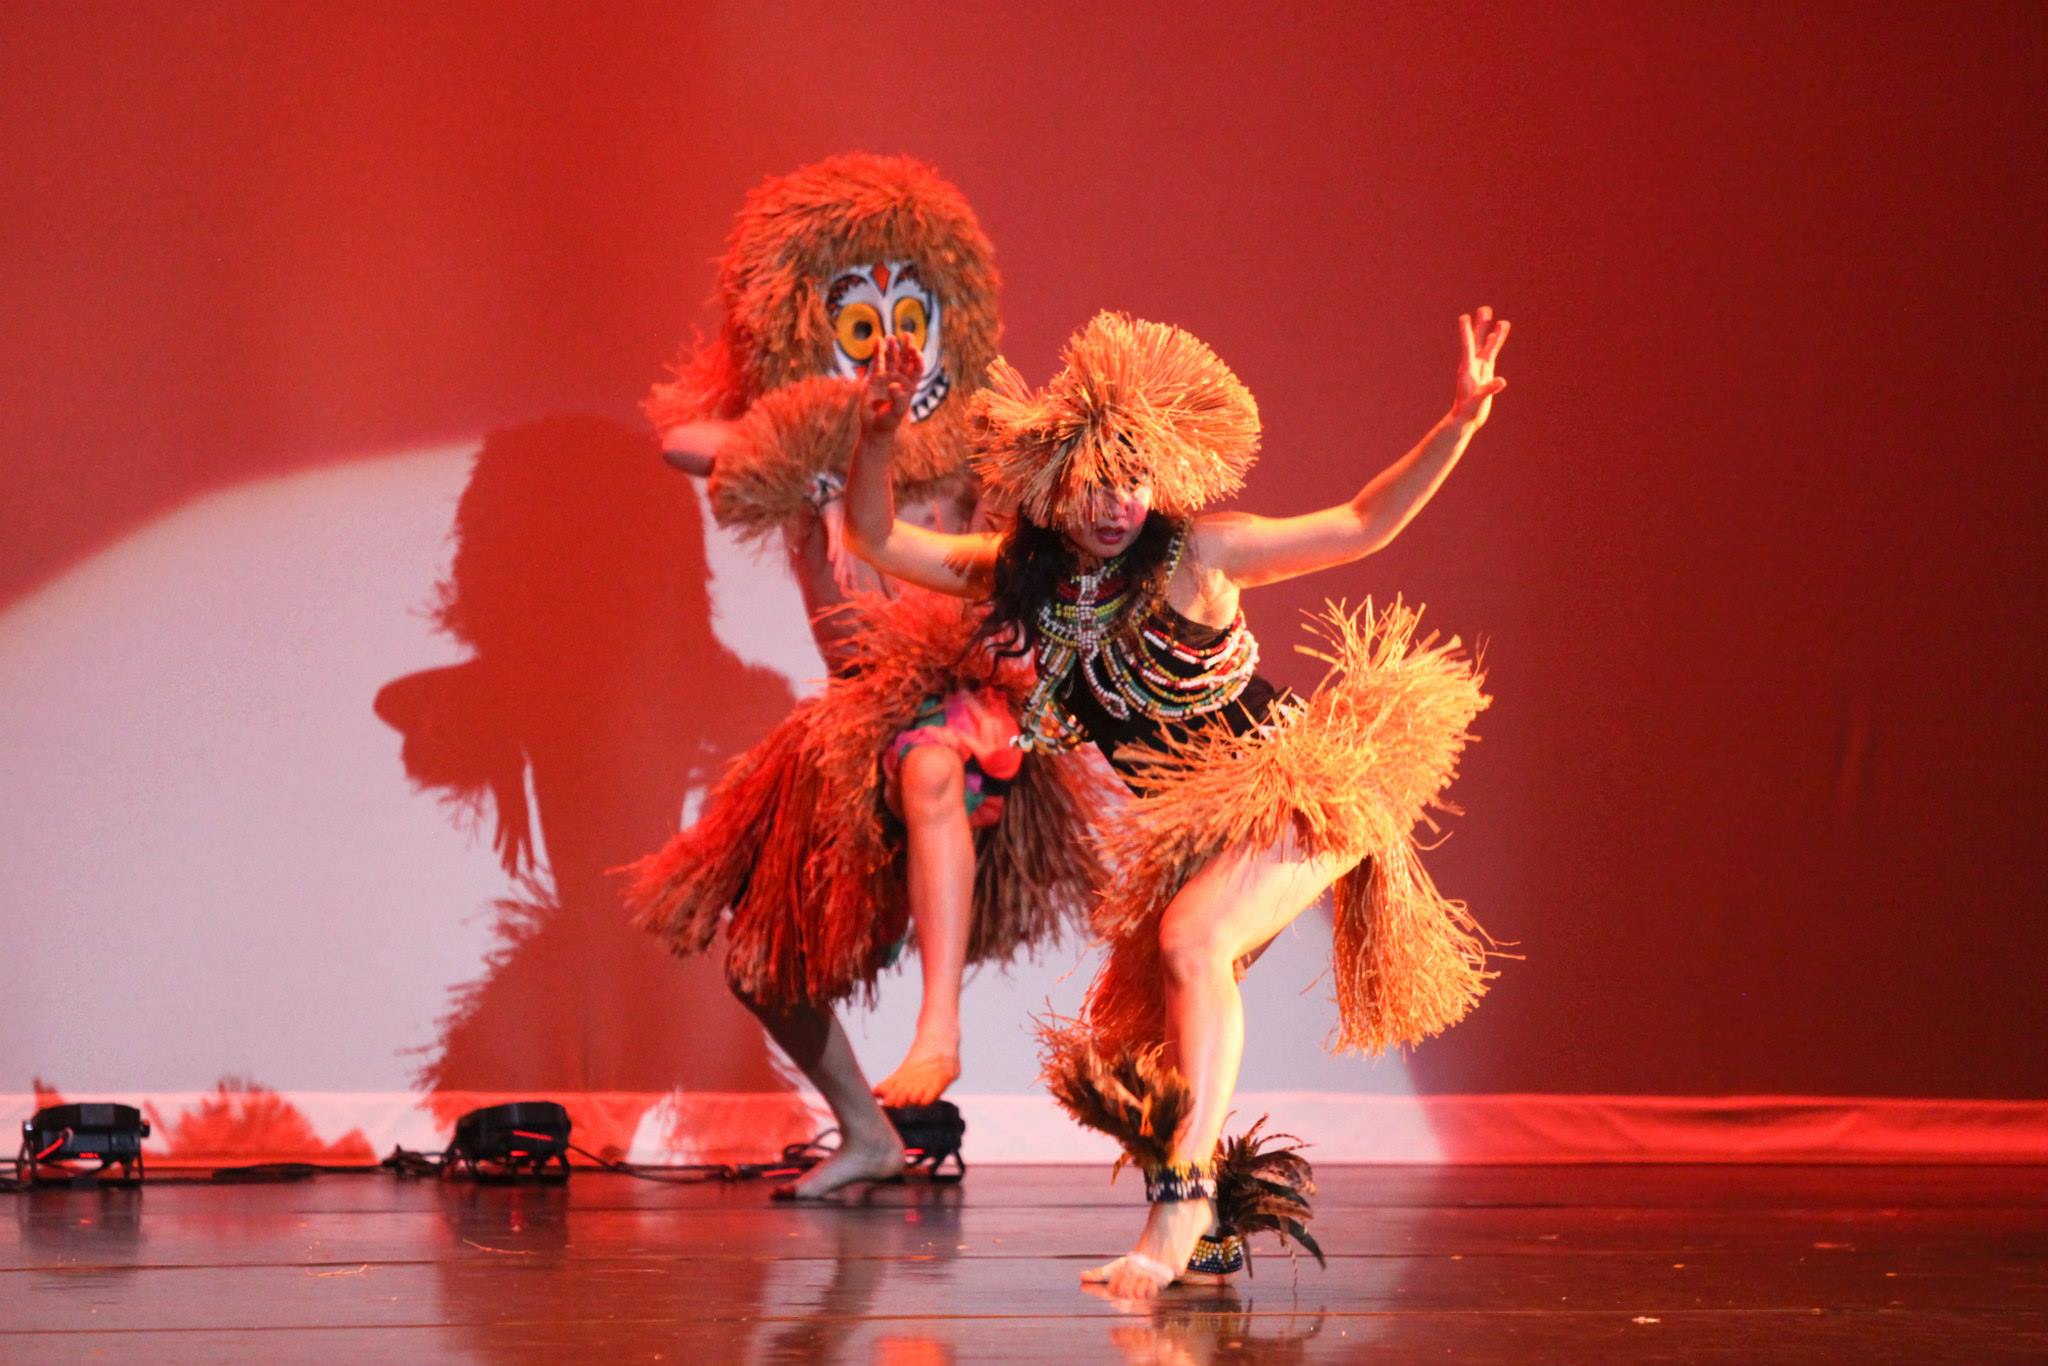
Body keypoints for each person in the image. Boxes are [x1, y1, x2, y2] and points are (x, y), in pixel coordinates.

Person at [843, 307, 1507, 1289]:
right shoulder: (1022, 579)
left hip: (1300, 784)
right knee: (1158, 1040)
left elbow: (1363, 523)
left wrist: (1454, 424)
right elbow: (872, 535)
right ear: (1053, 480)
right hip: (1201, 837)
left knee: (1193, 940)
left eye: (1135, 477)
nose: (1117, 501)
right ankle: (1211, 1217)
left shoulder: (1198, 553)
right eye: (1096, 479)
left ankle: (1179, 1205)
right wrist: (876, 434)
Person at [621, 155, 1107, 1197]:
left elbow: (1040, 467)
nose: (889, 344)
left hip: (958, 700)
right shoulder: (808, 454)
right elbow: (682, 441)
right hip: (851, 726)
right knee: (760, 968)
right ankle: (867, 1134)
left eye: (908, 318)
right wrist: (834, 431)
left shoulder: (973, 447)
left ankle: (939, 1030)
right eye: (857, 324)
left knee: (928, 763)